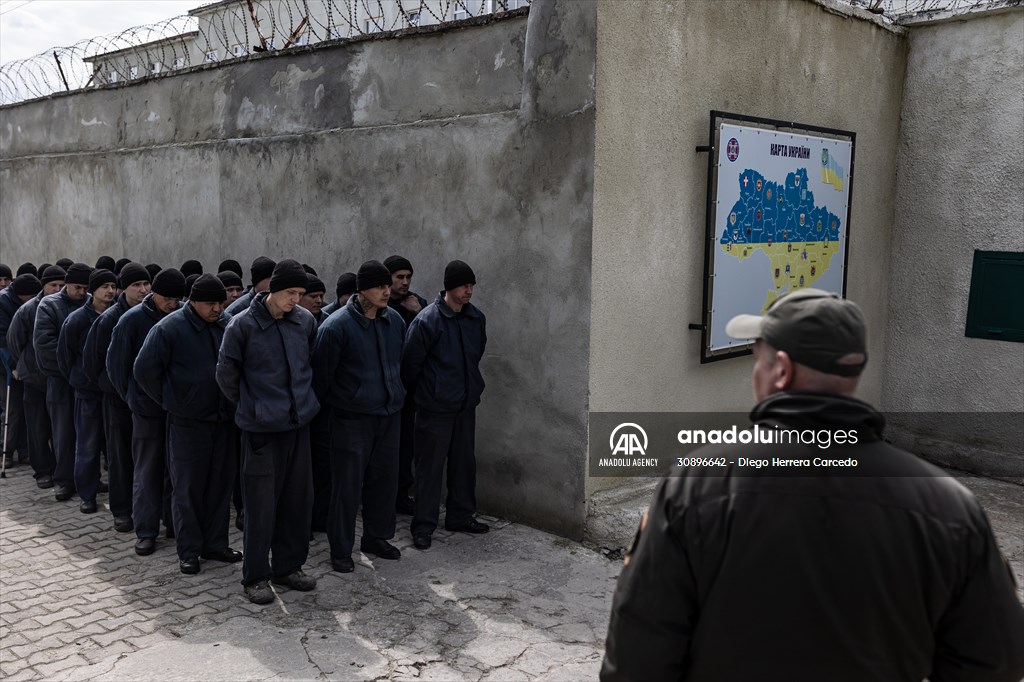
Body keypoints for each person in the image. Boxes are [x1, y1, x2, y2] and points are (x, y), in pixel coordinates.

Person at [600, 288, 1024, 682]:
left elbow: (639, 659)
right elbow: (995, 662)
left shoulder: (695, 484)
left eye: (758, 361)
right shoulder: (949, 506)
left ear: (781, 370)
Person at [216, 259, 319, 604]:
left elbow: (310, 366)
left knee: (296, 501)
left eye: (301, 293)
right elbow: (226, 376)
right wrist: (252, 406)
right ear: (272, 289)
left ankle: (289, 566)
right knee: (260, 506)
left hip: (297, 426)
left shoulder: (305, 321)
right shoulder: (241, 325)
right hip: (260, 430)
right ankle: (255, 576)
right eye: (291, 292)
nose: (296, 299)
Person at [135, 274, 241, 575]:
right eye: (210, 304)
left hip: (223, 421)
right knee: (188, 488)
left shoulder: (226, 324)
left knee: (220, 485)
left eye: (220, 303)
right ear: (192, 301)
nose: (217, 309)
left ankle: (216, 544)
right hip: (188, 424)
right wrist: (173, 401)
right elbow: (143, 371)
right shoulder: (169, 328)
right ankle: (190, 550)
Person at [312, 260, 406, 573]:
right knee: (347, 487)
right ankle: (340, 549)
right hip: (351, 420)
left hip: (388, 415)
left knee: (384, 481)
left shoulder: (394, 321)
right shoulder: (335, 327)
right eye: (379, 286)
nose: (386, 291)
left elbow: (399, 364)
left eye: (388, 286)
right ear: (361, 290)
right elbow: (321, 380)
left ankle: (376, 537)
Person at [402, 260, 489, 549]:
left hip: (465, 405)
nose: (469, 290)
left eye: (472, 285)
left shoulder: (475, 318)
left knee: (464, 463)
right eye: (464, 285)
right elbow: (410, 366)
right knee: (430, 467)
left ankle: (461, 515)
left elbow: (476, 354)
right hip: (434, 408)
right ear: (450, 287)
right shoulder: (428, 321)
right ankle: (423, 525)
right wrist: (429, 395)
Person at [107, 269, 184, 556]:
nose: (173, 304)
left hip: (177, 409)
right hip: (146, 410)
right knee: (148, 470)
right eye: (168, 298)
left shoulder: (182, 316)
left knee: (176, 471)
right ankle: (146, 530)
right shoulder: (131, 321)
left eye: (178, 299)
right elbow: (116, 367)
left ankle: (174, 524)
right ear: (154, 294)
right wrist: (134, 400)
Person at [83, 262, 151, 533]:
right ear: (123, 289)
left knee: (147, 458)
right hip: (118, 400)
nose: (143, 290)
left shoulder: (152, 315)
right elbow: (93, 364)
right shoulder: (109, 319)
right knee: (120, 457)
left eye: (146, 284)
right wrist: (119, 389)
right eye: (136, 285)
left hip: (148, 401)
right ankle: (122, 510)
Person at [57, 269, 117, 513]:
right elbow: (64, 357)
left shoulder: (117, 316)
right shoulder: (77, 320)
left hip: (112, 392)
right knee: (88, 445)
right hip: (88, 392)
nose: (111, 291)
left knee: (113, 446)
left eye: (113, 286)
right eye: (105, 287)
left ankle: (116, 490)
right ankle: (87, 494)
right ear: (94, 290)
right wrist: (79, 379)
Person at [34, 262, 92, 501]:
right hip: (60, 379)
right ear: (67, 285)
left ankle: (88, 479)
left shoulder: (91, 302)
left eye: (85, 288)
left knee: (88, 433)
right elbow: (44, 343)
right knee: (63, 432)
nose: (81, 292)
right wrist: (73, 362)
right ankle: (64, 480)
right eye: (77, 287)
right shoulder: (49, 305)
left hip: (86, 379)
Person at [6, 266, 63, 487]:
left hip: (58, 378)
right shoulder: (28, 310)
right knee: (37, 427)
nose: (58, 289)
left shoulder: (66, 306)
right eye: (53, 285)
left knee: (61, 427)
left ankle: (63, 469)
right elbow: (14, 341)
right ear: (43, 286)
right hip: (34, 379)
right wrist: (25, 364)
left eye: (61, 285)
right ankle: (43, 471)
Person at [383, 255, 428, 515]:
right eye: (399, 277)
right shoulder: (382, 305)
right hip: (388, 385)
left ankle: (401, 493)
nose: (404, 282)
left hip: (411, 388)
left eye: (408, 277)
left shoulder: (417, 303)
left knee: (406, 445)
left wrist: (418, 312)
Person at [0, 274, 42, 468]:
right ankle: (6, 451)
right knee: (12, 409)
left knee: (26, 409)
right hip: (6, 363)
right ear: (21, 295)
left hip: (25, 363)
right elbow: (4, 340)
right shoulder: (3, 302)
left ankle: (25, 450)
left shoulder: (30, 304)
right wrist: (13, 365)